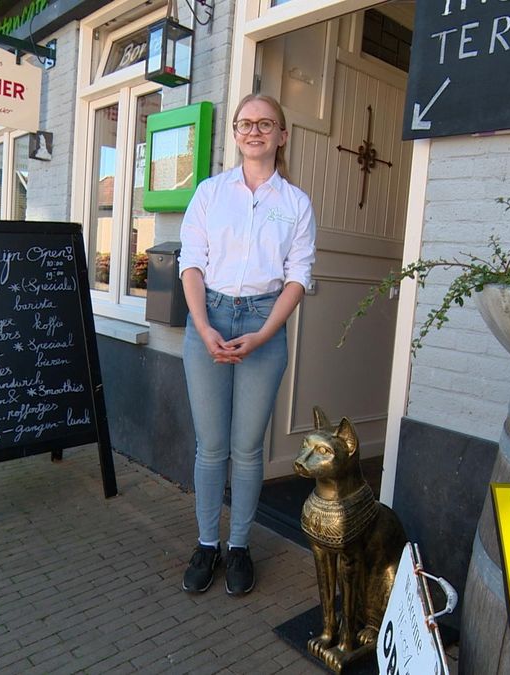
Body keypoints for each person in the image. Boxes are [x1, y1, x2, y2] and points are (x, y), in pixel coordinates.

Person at [177, 94, 316, 596]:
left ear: (282, 135)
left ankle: (239, 546)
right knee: (211, 447)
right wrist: (203, 325)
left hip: (265, 319)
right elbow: (190, 263)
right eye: (245, 123)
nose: (254, 131)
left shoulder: (295, 204)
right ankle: (206, 544)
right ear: (235, 134)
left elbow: (297, 278)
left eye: (266, 123)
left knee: (247, 448)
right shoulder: (211, 193)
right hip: (207, 316)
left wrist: (262, 334)